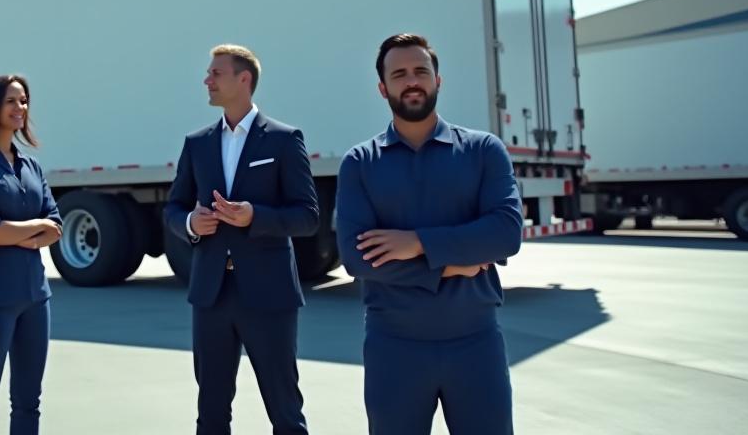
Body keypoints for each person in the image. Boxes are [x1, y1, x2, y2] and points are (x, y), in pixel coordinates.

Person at [337, 33, 523, 435]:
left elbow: (506, 232)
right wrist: (453, 266)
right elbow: (356, 257)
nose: (412, 81)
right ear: (383, 88)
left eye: (421, 71)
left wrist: (417, 243)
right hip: (394, 348)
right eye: (399, 73)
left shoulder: (483, 151)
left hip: (476, 344)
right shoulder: (360, 162)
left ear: (438, 80)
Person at [163, 44, 320, 435]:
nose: (207, 80)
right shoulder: (197, 143)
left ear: (243, 79)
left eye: (216, 73)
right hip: (211, 295)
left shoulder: (283, 140)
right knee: (211, 411)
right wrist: (191, 224)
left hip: (269, 294)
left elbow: (307, 216)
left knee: (285, 410)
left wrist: (256, 217)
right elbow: (173, 209)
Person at [0, 74, 63, 435]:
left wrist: (14, 231)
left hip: (36, 297)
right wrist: (29, 229)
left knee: (28, 403)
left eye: (23, 101)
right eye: (11, 101)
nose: (20, 108)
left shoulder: (31, 166)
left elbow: (55, 226)